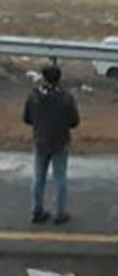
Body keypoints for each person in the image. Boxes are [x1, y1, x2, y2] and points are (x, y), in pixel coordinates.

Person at [22, 65, 80, 225]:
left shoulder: (34, 96)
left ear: (43, 77)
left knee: (38, 177)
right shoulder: (66, 97)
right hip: (60, 140)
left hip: (40, 140)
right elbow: (74, 121)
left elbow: (27, 118)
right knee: (60, 177)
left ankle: (37, 210)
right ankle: (60, 212)